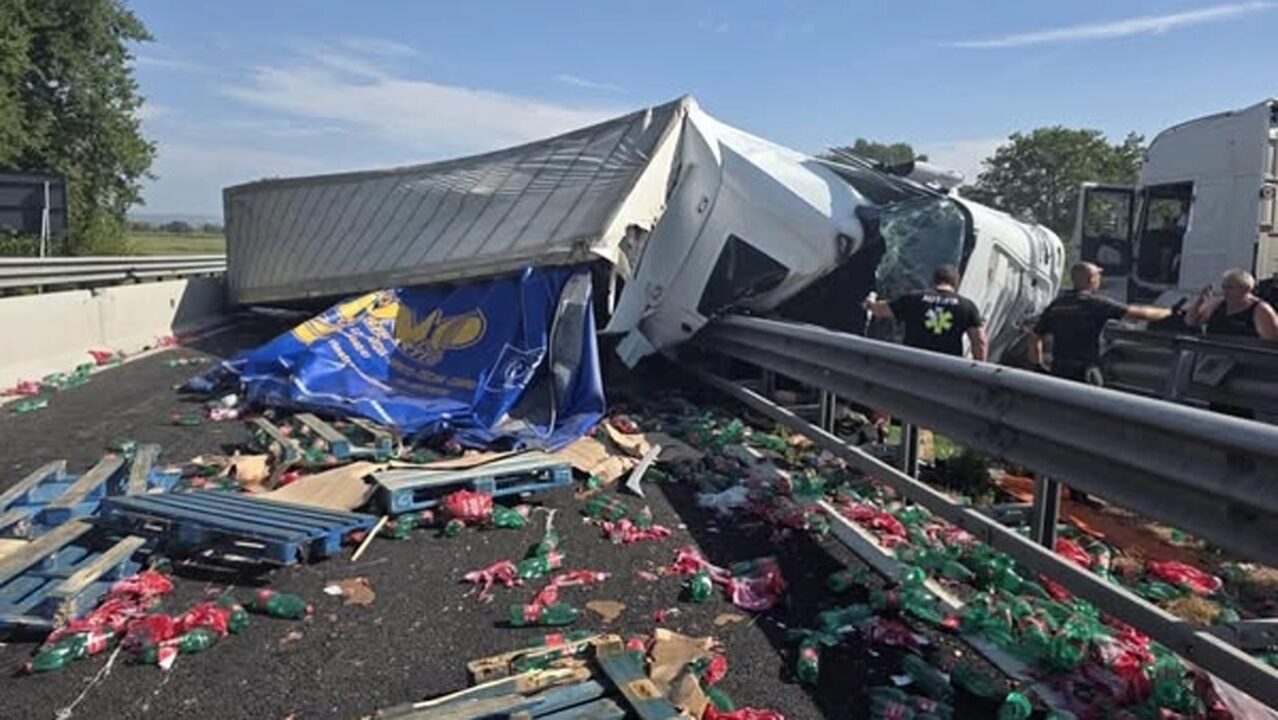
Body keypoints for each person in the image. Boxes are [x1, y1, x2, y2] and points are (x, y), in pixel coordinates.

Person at [1028, 262, 1172, 385]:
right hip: (1085, 372)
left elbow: (1035, 337)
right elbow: (1141, 314)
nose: (1100, 279)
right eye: (1098, 275)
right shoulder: (1096, 304)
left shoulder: (1057, 305)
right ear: (1091, 279)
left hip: (1059, 370)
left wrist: (1038, 367)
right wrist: (1169, 312)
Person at [864, 264, 987, 360]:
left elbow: (881, 310)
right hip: (948, 370)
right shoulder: (966, 306)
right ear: (955, 283)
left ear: (934, 280)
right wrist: (978, 373)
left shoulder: (913, 299)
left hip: (911, 364)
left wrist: (869, 304)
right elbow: (980, 341)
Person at [1184, 268, 1278, 340]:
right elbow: (1190, 322)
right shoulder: (1217, 305)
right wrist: (1200, 301)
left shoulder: (1260, 310)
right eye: (1224, 287)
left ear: (1245, 288)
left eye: (1230, 287)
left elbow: (1270, 341)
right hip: (1213, 358)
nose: (1225, 291)